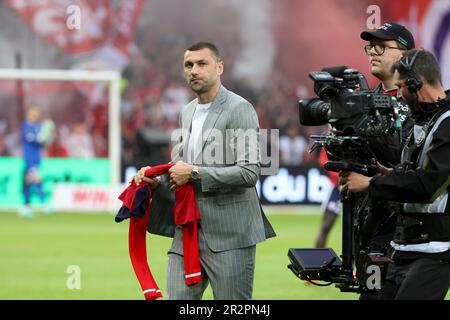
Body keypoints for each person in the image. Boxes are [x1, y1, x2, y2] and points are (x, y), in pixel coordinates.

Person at [134, 42, 275, 300]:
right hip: (187, 232)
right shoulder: (186, 112)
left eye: (202, 64)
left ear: (219, 67)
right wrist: (156, 182)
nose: (194, 71)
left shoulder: (239, 108)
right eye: (189, 65)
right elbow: (181, 173)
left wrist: (195, 173)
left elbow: (249, 172)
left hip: (230, 237)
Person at [342, 48, 450, 300]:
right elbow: (415, 172)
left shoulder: (447, 122)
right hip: (402, 247)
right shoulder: (427, 120)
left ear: (416, 83)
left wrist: (371, 183)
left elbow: (428, 184)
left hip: (436, 250)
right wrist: (389, 172)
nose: (399, 95)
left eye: (401, 86)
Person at [20, 106, 54, 217]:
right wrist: (42, 136)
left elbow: (43, 142)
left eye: (37, 113)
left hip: (37, 158)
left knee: (30, 182)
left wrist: (48, 134)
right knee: (36, 180)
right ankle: (42, 203)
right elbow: (32, 140)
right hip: (29, 159)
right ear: (29, 114)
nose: (35, 115)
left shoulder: (39, 126)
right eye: (33, 113)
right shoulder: (25, 126)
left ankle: (26, 205)